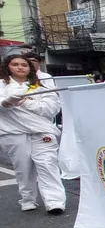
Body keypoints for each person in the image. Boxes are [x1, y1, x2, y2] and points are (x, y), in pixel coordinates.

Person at [0, 54, 65, 213]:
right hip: (13, 132)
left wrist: (27, 103)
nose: (20, 67)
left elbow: (52, 108)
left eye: (24, 64)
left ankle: (54, 201)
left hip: (42, 131)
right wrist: (7, 102)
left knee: (47, 163)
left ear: (30, 68)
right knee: (23, 166)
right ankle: (28, 198)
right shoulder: (1, 85)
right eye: (15, 64)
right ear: (8, 67)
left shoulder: (41, 85)